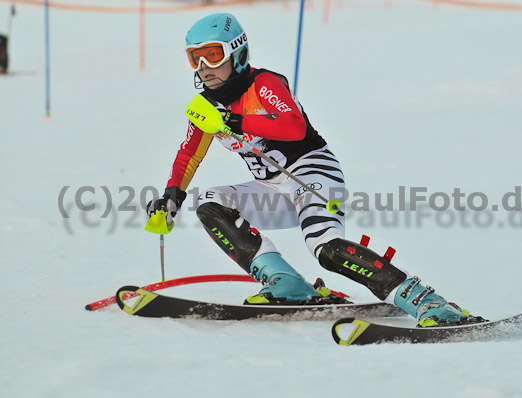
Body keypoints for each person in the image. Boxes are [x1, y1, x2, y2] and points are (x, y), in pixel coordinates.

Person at [147, 13, 477, 327]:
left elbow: (294, 127)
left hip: (312, 173)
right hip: (272, 187)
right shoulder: (205, 106)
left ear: (238, 52)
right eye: (195, 58)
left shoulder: (263, 84)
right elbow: (188, 156)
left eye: (212, 55)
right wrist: (171, 196)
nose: (204, 68)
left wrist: (236, 121)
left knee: (327, 249)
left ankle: (427, 301)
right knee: (210, 204)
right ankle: (285, 283)